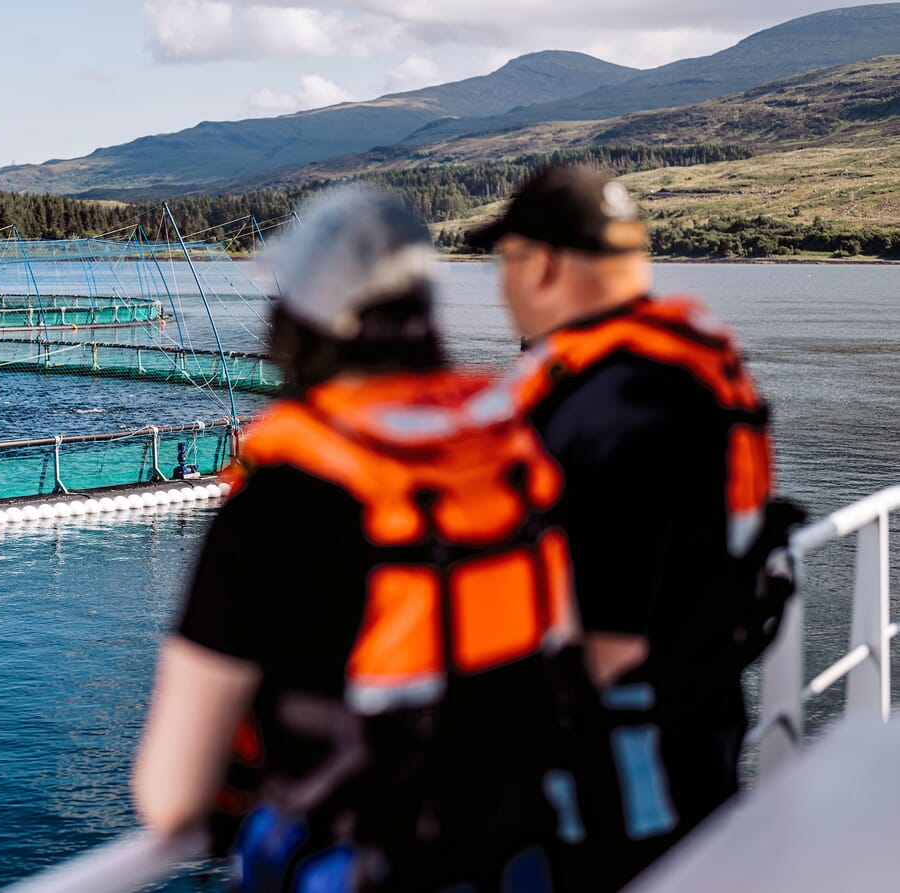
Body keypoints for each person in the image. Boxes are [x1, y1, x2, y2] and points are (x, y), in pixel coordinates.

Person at [132, 185, 577, 892]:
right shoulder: (514, 463)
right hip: (521, 863)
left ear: (295, 324)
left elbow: (170, 793)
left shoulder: (280, 503)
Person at [466, 164, 798, 890]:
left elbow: (610, 648)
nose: (501, 284)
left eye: (506, 261)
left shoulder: (618, 414)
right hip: (696, 738)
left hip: (618, 799)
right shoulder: (679, 373)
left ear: (545, 265)